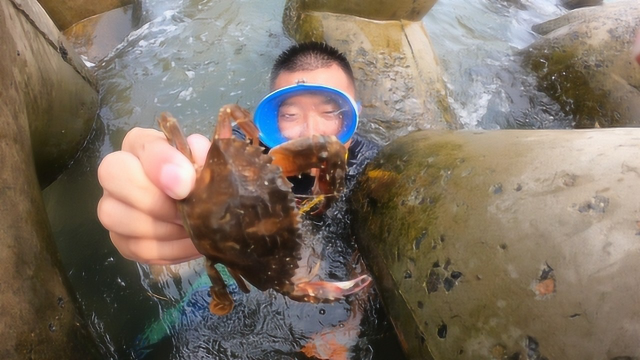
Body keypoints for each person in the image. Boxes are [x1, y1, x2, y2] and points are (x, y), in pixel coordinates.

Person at [97, 41, 380, 265]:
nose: (311, 131)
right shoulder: (250, 150)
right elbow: (208, 164)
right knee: (166, 271)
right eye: (290, 115)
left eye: (331, 112)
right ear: (269, 121)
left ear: (354, 116)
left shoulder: (371, 165)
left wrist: (350, 324)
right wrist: (169, 198)